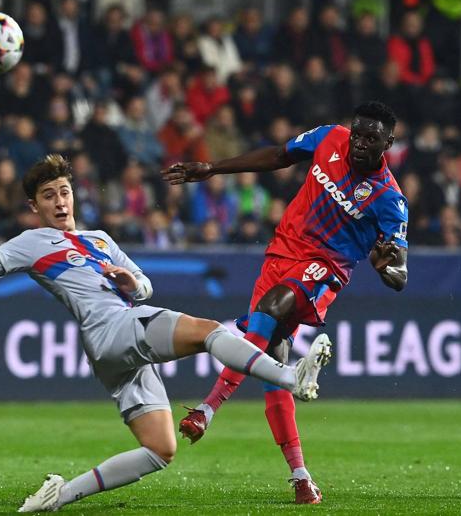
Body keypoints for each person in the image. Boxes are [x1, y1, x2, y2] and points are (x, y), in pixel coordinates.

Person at [0, 154, 332, 512]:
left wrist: (134, 283)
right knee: (209, 330)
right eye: (48, 195)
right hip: (114, 328)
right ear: (35, 206)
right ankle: (290, 377)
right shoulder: (33, 243)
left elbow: (143, 283)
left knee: (160, 449)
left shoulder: (101, 240)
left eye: (64, 191)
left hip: (116, 348)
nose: (59, 201)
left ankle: (59, 496)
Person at [162, 101, 409, 504]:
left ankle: (206, 410)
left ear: (389, 143)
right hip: (281, 254)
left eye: (372, 138)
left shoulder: (389, 200)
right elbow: (279, 156)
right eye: (358, 133)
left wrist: (386, 270)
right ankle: (301, 477)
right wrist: (212, 168)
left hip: (323, 268)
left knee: (271, 309)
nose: (360, 143)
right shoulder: (331, 137)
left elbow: (401, 275)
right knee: (273, 367)